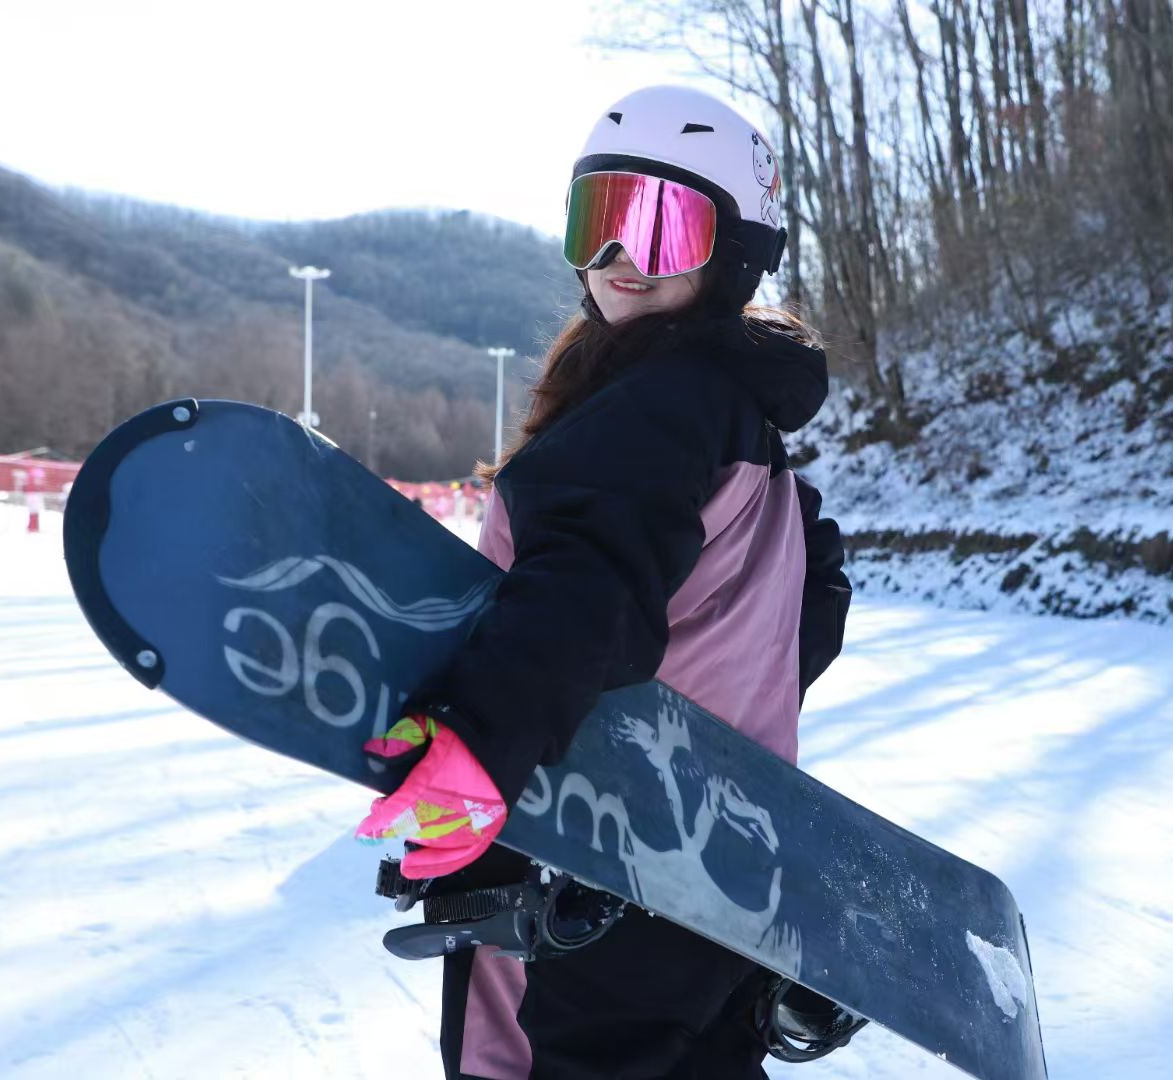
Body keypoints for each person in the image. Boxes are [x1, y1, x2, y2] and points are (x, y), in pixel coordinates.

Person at [356, 85, 851, 1079]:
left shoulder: (655, 407)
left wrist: (483, 741)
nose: (621, 253)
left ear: (733, 253)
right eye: (599, 218)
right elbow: (813, 603)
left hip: (600, 865)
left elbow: (591, 588)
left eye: (662, 224)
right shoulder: (742, 423)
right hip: (727, 872)